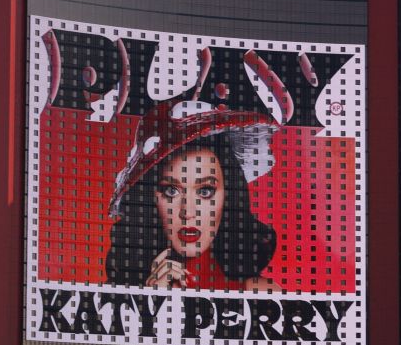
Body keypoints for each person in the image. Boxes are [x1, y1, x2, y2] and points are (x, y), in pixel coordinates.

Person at [105, 94, 279, 291]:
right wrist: (152, 302)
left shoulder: (259, 293)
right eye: (171, 191)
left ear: (228, 197)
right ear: (151, 200)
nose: (187, 211)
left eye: (205, 191)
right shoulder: (119, 294)